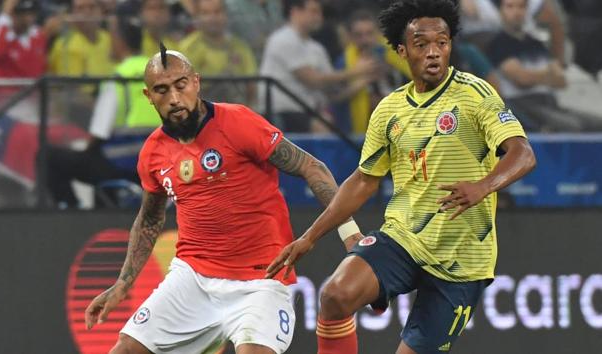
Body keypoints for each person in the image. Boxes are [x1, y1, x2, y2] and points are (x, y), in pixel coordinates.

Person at [265, 1, 537, 353]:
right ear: (401, 50)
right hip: (403, 240)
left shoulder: (475, 94)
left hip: (461, 261)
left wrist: (483, 186)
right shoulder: (389, 109)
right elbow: (364, 181)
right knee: (334, 295)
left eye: (442, 42)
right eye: (422, 44)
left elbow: (523, 154)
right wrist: (310, 237)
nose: (434, 52)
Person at [84, 46, 360, 353]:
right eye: (162, 90)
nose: (174, 98)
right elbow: (150, 219)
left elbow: (312, 167)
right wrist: (123, 284)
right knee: (123, 349)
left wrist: (350, 234)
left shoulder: (237, 122)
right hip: (193, 279)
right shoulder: (153, 152)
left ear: (196, 82)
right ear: (149, 96)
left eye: (181, 85)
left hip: (261, 279)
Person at [46, 15, 158, 208]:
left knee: (49, 156)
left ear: (120, 42)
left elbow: (98, 133)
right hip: (159, 167)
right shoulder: (161, 75)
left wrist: (85, 151)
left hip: (122, 166)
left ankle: (72, 210)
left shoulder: (118, 78)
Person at [259, 0, 380, 133]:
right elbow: (312, 79)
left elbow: (331, 92)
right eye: (313, 11)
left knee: (329, 124)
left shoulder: (317, 49)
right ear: (295, 12)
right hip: (284, 112)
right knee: (324, 127)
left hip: (313, 112)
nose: (319, 17)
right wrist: (356, 72)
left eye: (320, 12)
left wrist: (358, 85)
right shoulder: (283, 39)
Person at [487, 0, 602, 131]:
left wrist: (537, 76)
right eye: (510, 7)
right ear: (501, 11)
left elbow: (561, 81)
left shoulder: (536, 43)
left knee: (597, 123)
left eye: (521, 7)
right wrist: (547, 75)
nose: (516, 12)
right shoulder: (498, 44)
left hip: (549, 102)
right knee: (571, 126)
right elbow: (521, 79)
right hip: (523, 105)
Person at [180, 0, 257, 106]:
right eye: (205, 13)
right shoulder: (187, 48)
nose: (212, 18)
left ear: (226, 15)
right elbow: (184, 89)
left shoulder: (240, 47)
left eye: (217, 12)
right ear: (196, 17)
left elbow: (252, 87)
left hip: (236, 114)